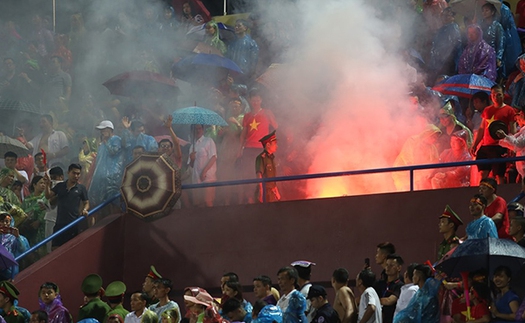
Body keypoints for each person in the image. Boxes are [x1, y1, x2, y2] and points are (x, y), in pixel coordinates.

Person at [471, 85, 516, 184]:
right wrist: (475, 144)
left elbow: (513, 130)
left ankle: (501, 196)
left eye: (499, 95)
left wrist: (512, 146)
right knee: (483, 173)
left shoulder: (509, 110)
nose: (496, 97)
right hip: (486, 146)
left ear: (503, 95)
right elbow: (482, 128)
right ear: (491, 96)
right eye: (494, 95)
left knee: (499, 174)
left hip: (500, 146)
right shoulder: (487, 110)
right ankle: (481, 195)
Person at [44, 163, 89, 249]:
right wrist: (47, 185)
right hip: (59, 223)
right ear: (68, 172)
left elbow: (86, 203)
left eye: (78, 174)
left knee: (71, 249)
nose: (76, 176)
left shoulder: (81, 188)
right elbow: (48, 196)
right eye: (74, 173)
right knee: (55, 249)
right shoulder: (60, 186)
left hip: (73, 224)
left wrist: (84, 210)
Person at [88, 120, 124, 208]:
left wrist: (106, 143)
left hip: (112, 177)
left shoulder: (116, 139)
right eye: (101, 130)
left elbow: (114, 151)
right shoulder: (102, 144)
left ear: (109, 129)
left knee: (112, 202)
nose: (102, 132)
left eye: (104, 130)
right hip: (101, 176)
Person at [188, 124, 217, 207]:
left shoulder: (208, 141)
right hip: (196, 179)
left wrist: (204, 172)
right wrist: (192, 159)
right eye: (195, 129)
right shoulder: (192, 146)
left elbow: (214, 157)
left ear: (203, 129)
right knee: (197, 204)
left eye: (199, 128)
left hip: (208, 177)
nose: (198, 130)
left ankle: (211, 219)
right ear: (192, 131)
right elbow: (191, 165)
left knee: (208, 202)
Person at [429, 8, 461, 81]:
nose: (444, 18)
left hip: (448, 63)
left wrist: (441, 61)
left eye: (447, 16)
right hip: (439, 62)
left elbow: (450, 48)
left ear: (453, 17)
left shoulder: (453, 28)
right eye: (443, 15)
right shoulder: (442, 29)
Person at [20, 175, 48, 258]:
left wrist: (39, 221)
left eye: (45, 183)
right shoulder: (27, 199)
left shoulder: (46, 197)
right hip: (29, 230)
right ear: (34, 185)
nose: (43, 185)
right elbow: (22, 212)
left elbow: (47, 211)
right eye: (41, 183)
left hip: (42, 229)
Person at [480, 3, 506, 80]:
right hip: (482, 55)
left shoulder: (497, 26)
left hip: (493, 56)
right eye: (483, 11)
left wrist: (498, 57)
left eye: (486, 10)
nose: (484, 13)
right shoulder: (481, 25)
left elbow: (501, 42)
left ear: (492, 12)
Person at [497, 107, 525, 178]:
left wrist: (504, 137)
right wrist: (500, 140)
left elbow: (518, 145)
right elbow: (513, 142)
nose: (517, 119)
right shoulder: (522, 130)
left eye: (520, 115)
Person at [0, 212, 28, 280]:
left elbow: (24, 250)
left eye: (7, 221)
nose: (4, 224)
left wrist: (17, 237)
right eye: (1, 221)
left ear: (11, 222)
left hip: (10, 270)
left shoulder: (17, 237)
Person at [377, 254, 404, 323]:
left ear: (399, 268)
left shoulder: (400, 285)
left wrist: (373, 300)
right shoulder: (380, 283)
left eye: (391, 265)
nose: (387, 268)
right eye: (386, 265)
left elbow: (389, 301)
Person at [255, 131, 280, 203]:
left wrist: (276, 191)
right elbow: (259, 175)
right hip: (265, 192)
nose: (277, 146)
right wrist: (261, 192)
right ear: (268, 145)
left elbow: (272, 177)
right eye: (275, 144)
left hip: (271, 192)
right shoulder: (261, 158)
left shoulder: (271, 158)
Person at [43, 166, 62, 253]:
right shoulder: (49, 186)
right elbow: (49, 202)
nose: (54, 180)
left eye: (55, 178)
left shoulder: (63, 186)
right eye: (52, 178)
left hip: (60, 219)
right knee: (49, 246)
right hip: (50, 218)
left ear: (61, 177)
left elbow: (52, 201)